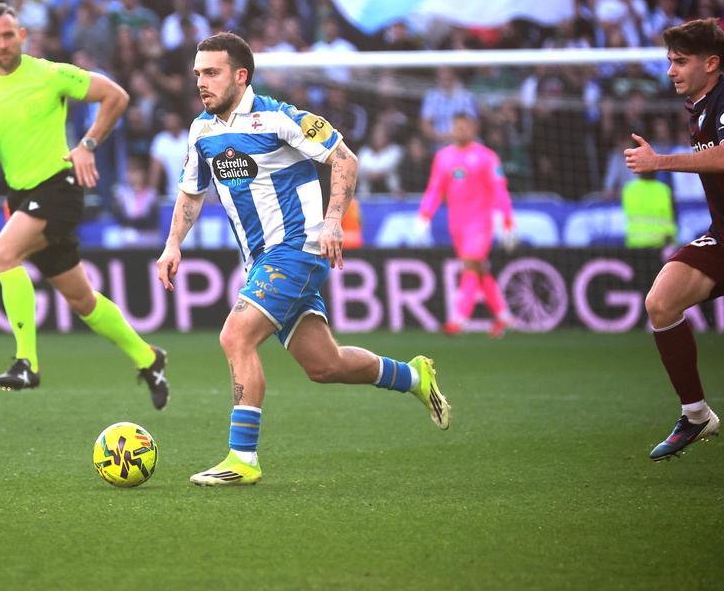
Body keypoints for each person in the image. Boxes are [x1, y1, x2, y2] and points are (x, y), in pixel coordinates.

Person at [157, 32, 449, 487]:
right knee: (325, 365)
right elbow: (191, 195)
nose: (201, 82)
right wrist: (173, 243)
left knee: (235, 336)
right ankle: (413, 376)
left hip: (297, 248)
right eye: (197, 74)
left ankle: (243, 458)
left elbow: (345, 159)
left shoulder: (280, 118)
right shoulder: (202, 131)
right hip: (261, 261)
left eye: (211, 73)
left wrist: (333, 220)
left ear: (240, 75)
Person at [0, 3, 168, 408]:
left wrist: (87, 145)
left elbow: (116, 96)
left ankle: (26, 362)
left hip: (60, 185)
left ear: (23, 35)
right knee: (82, 300)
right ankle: (148, 357)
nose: (1, 43)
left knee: (4, 252)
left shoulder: (50, 73)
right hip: (21, 196)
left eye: (7, 34)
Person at [624, 18, 724, 460]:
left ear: (711, 64)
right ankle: (696, 415)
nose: (671, 69)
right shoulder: (708, 104)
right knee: (661, 302)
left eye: (680, 61)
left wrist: (657, 162)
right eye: (669, 60)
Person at [416, 113, 517, 337]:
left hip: (480, 223)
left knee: (470, 265)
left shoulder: (486, 157)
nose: (460, 131)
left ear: (474, 129)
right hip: (457, 225)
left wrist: (508, 219)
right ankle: (503, 316)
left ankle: (460, 318)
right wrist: (424, 215)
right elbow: (435, 189)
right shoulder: (443, 157)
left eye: (464, 127)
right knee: (479, 269)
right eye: (457, 127)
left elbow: (500, 190)